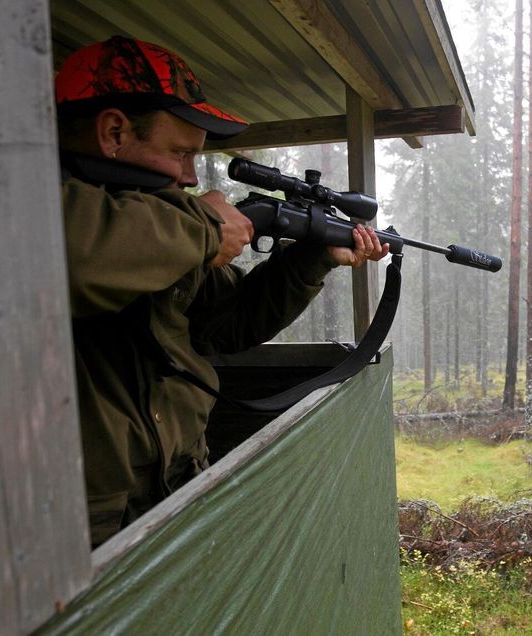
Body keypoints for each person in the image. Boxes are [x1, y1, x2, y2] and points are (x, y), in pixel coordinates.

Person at [55, 35, 389, 546]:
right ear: (114, 132)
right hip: (81, 525)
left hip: (177, 484)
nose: (189, 176)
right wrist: (204, 228)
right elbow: (75, 253)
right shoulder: (23, 202)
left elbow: (228, 325)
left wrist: (309, 258)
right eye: (179, 152)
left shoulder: (162, 225)